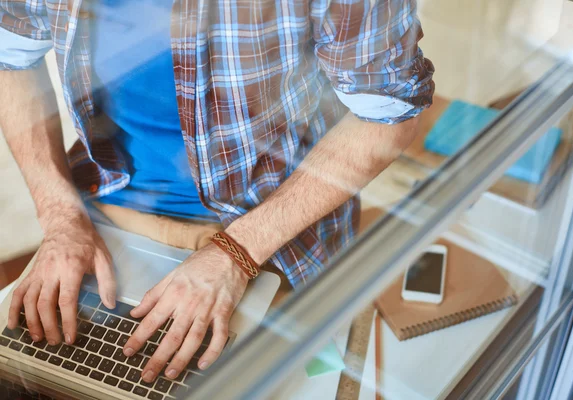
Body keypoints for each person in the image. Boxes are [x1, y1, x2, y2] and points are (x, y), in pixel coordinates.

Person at [0, 0, 434, 384]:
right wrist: (60, 217)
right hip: (102, 214)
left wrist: (236, 253)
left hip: (270, 234)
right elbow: (10, 59)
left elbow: (387, 116)